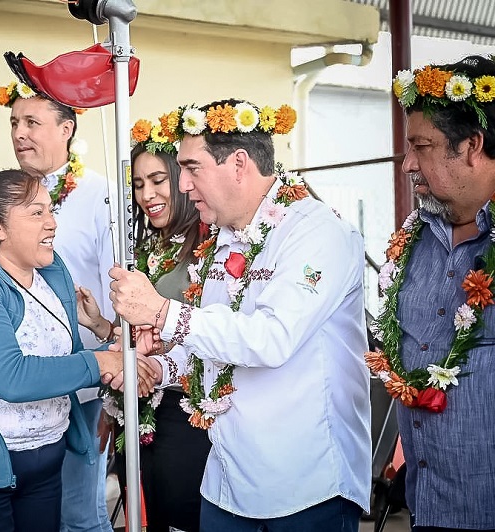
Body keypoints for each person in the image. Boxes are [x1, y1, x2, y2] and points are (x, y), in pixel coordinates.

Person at [108, 99, 372, 531]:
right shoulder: (221, 238)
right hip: (227, 480)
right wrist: (158, 366)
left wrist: (160, 311)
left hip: (304, 485)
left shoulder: (317, 231)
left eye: (192, 169)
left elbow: (271, 339)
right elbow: (214, 348)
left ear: (239, 163)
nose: (185, 186)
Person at [0, 169, 155, 531]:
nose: (52, 223)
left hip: (45, 460)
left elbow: (63, 358)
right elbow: (12, 377)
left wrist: (112, 350)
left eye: (50, 210)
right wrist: (104, 360)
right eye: (36, 212)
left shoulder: (51, 271)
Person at [366, 55, 495, 531]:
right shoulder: (416, 237)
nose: (407, 165)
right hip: (428, 502)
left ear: (472, 146)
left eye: (421, 146)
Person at [77, 116, 212, 531]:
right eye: (138, 185)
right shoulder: (148, 247)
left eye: (158, 180)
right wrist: (102, 326)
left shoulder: (208, 248)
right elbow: (144, 337)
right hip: (142, 409)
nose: (147, 195)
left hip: (188, 413)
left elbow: (204, 333)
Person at [0, 80, 115, 531]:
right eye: (13, 123)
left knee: (80, 515)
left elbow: (116, 289)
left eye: (31, 122)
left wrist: (111, 396)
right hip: (18, 383)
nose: (19, 133)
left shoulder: (101, 196)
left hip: (83, 385)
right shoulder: (7, 197)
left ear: (66, 129)